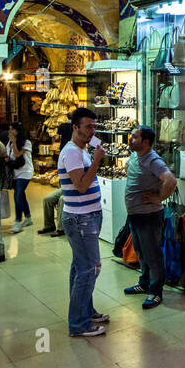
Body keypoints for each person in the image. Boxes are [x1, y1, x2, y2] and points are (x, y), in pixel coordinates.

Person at [60, 108, 111, 337]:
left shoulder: (81, 150)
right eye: (88, 127)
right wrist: (97, 161)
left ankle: (85, 311)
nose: (92, 131)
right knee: (89, 269)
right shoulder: (71, 152)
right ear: (75, 127)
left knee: (81, 267)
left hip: (87, 215)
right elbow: (81, 185)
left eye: (94, 127)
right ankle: (79, 324)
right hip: (81, 219)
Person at [123, 126, 177, 311]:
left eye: (135, 137)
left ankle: (155, 291)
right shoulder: (135, 156)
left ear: (146, 142)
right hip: (135, 214)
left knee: (152, 255)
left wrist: (159, 198)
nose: (131, 139)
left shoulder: (153, 160)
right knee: (141, 251)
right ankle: (145, 283)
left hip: (149, 215)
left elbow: (170, 180)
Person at [38, 123, 74, 236]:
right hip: (66, 185)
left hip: (74, 186)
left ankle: (60, 228)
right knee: (47, 199)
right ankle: (49, 225)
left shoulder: (77, 146)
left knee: (62, 199)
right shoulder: (66, 145)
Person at [2, 122, 34, 234]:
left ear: (18, 131)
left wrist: (14, 142)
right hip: (15, 173)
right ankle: (28, 217)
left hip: (25, 172)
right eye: (9, 129)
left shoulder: (27, 143)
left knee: (17, 195)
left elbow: (17, 154)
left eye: (12, 129)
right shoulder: (9, 143)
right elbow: (8, 155)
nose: (10, 131)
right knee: (21, 195)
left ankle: (17, 221)